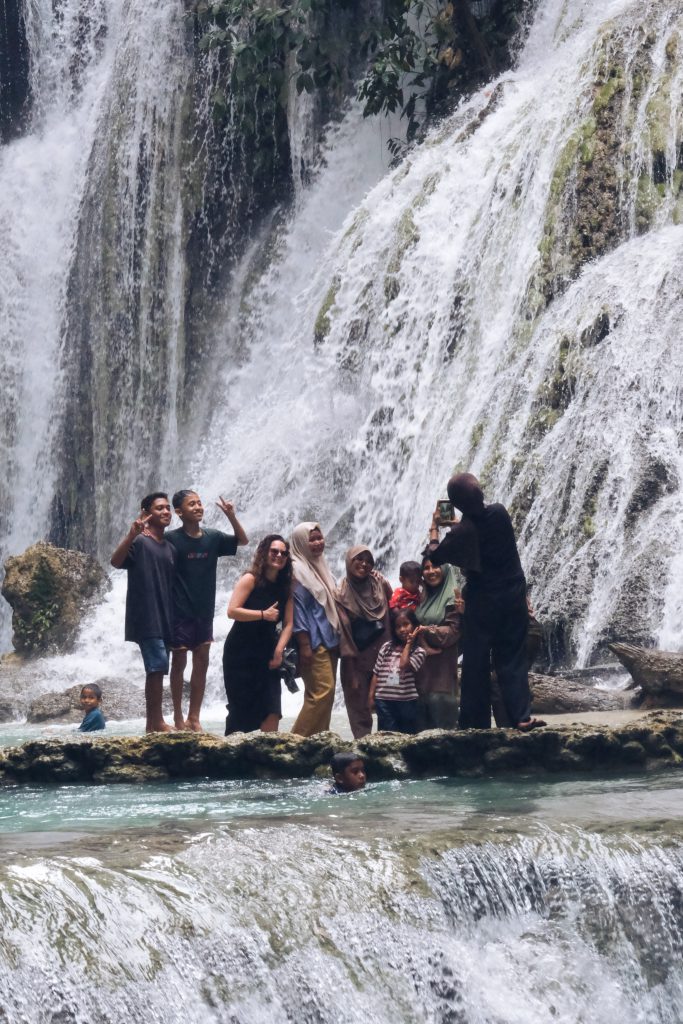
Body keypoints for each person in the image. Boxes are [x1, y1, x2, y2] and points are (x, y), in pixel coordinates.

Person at [428, 473, 543, 731]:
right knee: (512, 658)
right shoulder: (500, 513)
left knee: (476, 662)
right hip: (513, 597)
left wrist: (436, 528)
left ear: (456, 504)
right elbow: (479, 528)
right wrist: (458, 524)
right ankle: (521, 717)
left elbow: (435, 556)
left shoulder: (462, 532)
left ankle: (473, 724)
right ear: (480, 494)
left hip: (482, 603)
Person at [166, 489, 248, 732]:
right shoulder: (172, 539)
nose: (198, 507)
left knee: (201, 663)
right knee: (179, 664)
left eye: (200, 503)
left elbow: (242, 541)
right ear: (179, 512)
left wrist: (231, 516)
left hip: (204, 611)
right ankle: (178, 718)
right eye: (192, 504)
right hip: (179, 612)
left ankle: (195, 717)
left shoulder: (212, 537)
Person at [111, 492, 176, 733]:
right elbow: (116, 562)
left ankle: (154, 724)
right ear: (146, 513)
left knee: (160, 667)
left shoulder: (169, 548)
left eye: (168, 508)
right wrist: (131, 534)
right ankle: (155, 723)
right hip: (146, 615)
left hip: (165, 616)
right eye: (159, 508)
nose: (166, 511)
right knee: (156, 666)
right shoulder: (139, 542)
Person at [223, 534, 293, 734]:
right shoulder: (250, 579)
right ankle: (233, 758)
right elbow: (232, 611)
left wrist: (280, 650)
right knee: (240, 708)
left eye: (283, 553)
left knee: (272, 707)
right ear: (264, 552)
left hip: (267, 650)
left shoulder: (286, 587)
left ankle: (269, 758)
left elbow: (289, 623)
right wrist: (263, 615)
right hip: (240, 652)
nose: (279, 555)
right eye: (274, 551)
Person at [336, 546, 392, 739]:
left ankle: (388, 749)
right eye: (358, 559)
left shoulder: (380, 584)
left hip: (384, 658)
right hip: (357, 660)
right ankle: (362, 752)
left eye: (368, 561)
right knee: (359, 710)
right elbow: (343, 633)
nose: (364, 564)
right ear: (349, 561)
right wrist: (350, 671)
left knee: (388, 708)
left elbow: (392, 604)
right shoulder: (341, 592)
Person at [289, 522, 340, 736]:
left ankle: (320, 741)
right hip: (312, 640)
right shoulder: (297, 570)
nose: (318, 543)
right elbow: (298, 611)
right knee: (321, 692)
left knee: (326, 695)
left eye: (320, 538)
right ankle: (296, 744)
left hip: (330, 638)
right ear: (301, 543)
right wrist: (304, 645)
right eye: (312, 539)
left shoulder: (319, 566)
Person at [413, 557, 463, 730]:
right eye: (426, 567)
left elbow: (453, 633)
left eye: (435, 566)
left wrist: (425, 631)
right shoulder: (420, 597)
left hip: (442, 672)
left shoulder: (454, 599)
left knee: (443, 729)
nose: (431, 571)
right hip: (419, 673)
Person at [368, 609, 425, 734]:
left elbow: (403, 664)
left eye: (406, 624)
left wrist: (409, 643)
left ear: (415, 626)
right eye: (398, 626)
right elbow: (376, 673)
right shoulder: (386, 647)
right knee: (387, 736)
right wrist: (371, 697)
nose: (402, 629)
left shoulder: (419, 651)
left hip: (406, 701)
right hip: (383, 700)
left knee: (407, 736)